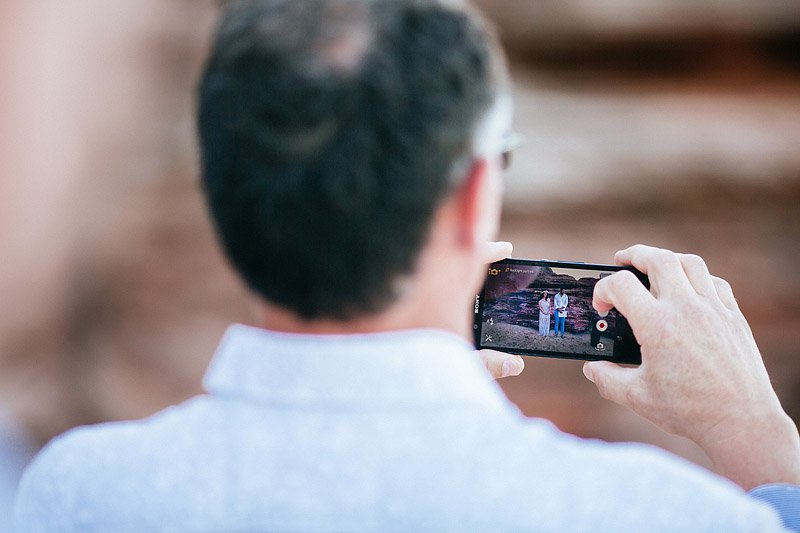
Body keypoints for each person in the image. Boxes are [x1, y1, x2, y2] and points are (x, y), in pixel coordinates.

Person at [15, 0, 800, 531]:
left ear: (222, 194)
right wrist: (753, 430)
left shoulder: (78, 492)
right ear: (473, 197)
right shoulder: (658, 514)